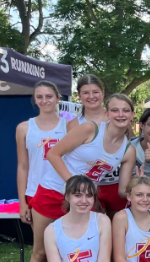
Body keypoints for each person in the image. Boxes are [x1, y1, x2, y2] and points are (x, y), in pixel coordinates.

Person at [36, 93, 136, 226]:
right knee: (41, 247)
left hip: (84, 201)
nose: (120, 114)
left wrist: (139, 187)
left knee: (82, 245)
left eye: (126, 110)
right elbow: (53, 154)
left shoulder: (129, 151)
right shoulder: (90, 129)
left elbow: (122, 191)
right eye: (115, 110)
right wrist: (74, 184)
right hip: (53, 191)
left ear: (132, 115)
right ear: (107, 114)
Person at [16, 81, 68, 262]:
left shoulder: (69, 125)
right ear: (34, 100)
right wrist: (22, 201)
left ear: (58, 98)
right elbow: (23, 166)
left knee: (64, 251)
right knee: (40, 252)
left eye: (49, 96)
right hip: (38, 195)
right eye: (40, 96)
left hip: (65, 194)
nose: (45, 100)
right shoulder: (25, 128)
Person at [68, 76, 132, 216]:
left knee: (115, 228)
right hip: (86, 186)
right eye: (86, 93)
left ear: (102, 93)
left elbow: (129, 147)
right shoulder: (75, 124)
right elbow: (64, 157)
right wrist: (75, 185)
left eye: (95, 92)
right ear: (79, 96)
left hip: (114, 182)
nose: (91, 96)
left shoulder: (117, 117)